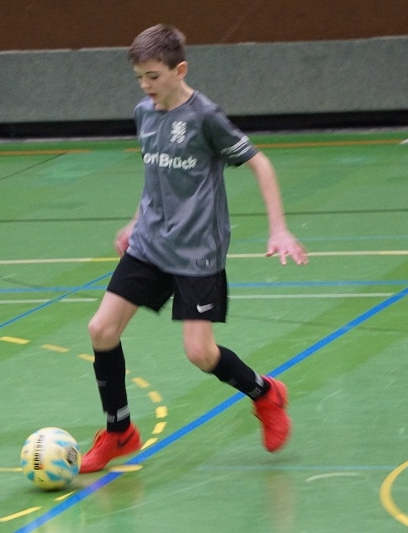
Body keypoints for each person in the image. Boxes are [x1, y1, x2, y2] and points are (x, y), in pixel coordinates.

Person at [80, 24, 309, 473]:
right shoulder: (144, 114)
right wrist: (136, 221)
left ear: (179, 70)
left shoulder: (206, 118)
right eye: (139, 78)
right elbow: (157, 177)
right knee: (101, 330)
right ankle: (119, 432)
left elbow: (261, 164)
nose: (146, 86)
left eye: (153, 76)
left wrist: (279, 229)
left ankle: (266, 394)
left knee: (200, 354)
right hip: (149, 244)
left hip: (196, 252)